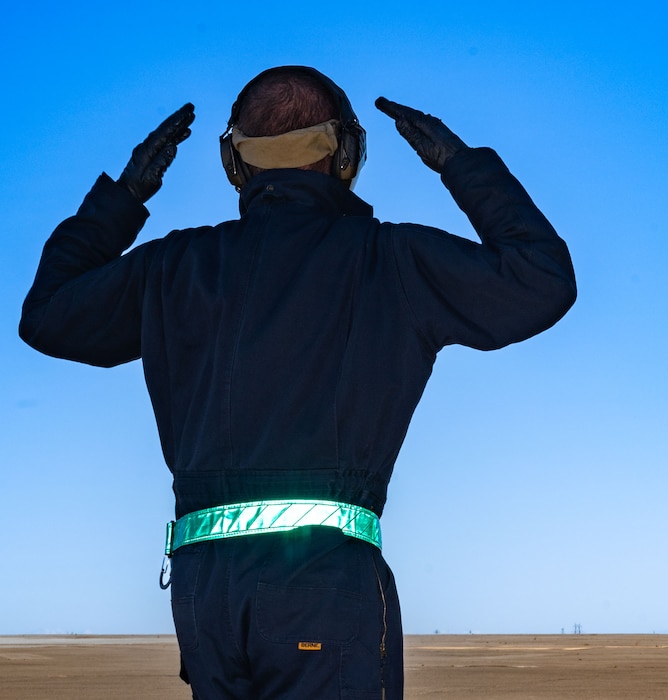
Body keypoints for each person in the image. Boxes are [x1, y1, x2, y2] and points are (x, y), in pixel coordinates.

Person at [19, 66, 576, 698]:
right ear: (346, 155)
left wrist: (123, 197)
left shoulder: (173, 267)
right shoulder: (389, 259)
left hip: (206, 597)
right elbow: (541, 280)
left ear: (236, 165)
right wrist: (459, 164)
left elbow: (48, 316)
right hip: (324, 586)